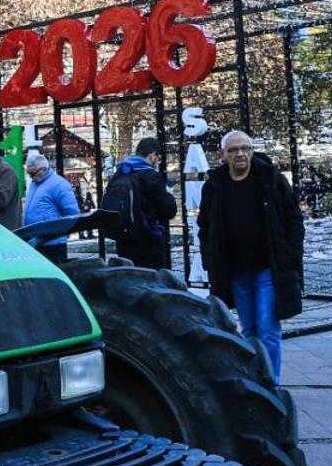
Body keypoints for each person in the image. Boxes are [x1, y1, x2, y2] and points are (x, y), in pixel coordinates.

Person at [198, 130, 304, 385]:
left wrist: (289, 254)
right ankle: (255, 379)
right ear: (223, 155)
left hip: (268, 267)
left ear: (252, 151)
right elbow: (206, 226)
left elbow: (293, 218)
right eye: (234, 150)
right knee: (249, 329)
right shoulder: (215, 185)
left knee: (268, 328)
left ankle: (270, 383)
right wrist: (210, 260)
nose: (240, 154)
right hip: (235, 269)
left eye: (245, 148)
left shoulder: (270, 179)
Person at [102, 136, 179, 270]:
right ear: (152, 156)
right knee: (153, 283)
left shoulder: (120, 173)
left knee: (131, 280)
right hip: (148, 241)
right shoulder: (151, 176)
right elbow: (168, 209)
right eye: (157, 157)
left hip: (124, 239)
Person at [22, 152, 80, 263]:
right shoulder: (35, 183)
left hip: (52, 244)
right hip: (36, 242)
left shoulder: (59, 184)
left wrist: (57, 232)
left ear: (43, 169)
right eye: (29, 173)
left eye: (33, 173)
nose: (31, 177)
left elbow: (72, 214)